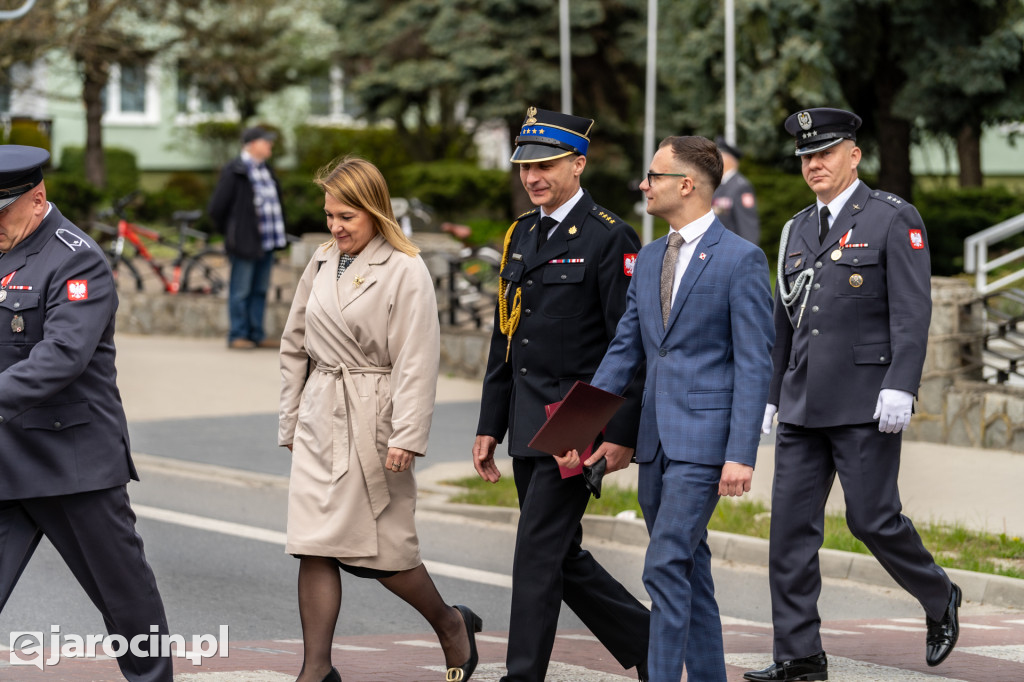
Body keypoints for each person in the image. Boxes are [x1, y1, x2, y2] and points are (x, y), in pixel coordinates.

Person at [743, 107, 960, 682]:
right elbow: (784, 319)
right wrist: (770, 394)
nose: (814, 164)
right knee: (789, 531)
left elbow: (913, 313)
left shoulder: (891, 218)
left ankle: (939, 596)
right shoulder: (795, 229)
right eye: (807, 157)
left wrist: (901, 386)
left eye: (826, 153)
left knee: (872, 520)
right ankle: (800, 654)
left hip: (866, 401)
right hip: (801, 402)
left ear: (854, 155)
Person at [564, 135, 774, 682]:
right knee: (688, 569)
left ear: (687, 184)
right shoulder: (653, 255)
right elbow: (625, 349)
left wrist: (741, 455)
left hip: (705, 445)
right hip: (656, 444)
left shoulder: (742, 259)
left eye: (654, 175)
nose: (644, 185)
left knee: (663, 565)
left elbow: (755, 364)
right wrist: (579, 424)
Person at [278, 156, 481, 682]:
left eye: (346, 216)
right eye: (329, 215)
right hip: (321, 413)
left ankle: (450, 623)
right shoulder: (321, 260)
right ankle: (316, 670)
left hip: (374, 416)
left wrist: (408, 434)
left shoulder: (405, 267)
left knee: (384, 552)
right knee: (313, 544)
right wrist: (291, 418)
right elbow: (294, 343)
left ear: (374, 210)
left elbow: (418, 357)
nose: (335, 227)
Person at [473, 107, 651, 682]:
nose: (533, 176)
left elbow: (629, 343)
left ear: (578, 163)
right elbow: (509, 338)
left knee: (536, 554)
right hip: (527, 422)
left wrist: (618, 433)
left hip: (574, 422)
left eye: (546, 164)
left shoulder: (608, 235)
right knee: (558, 555)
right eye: (525, 165)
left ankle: (521, 675)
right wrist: (489, 425)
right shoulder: (521, 234)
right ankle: (653, 644)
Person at [0, 145, 172, 681]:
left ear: (36, 198)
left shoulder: (76, 258)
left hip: (70, 462)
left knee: (125, 602)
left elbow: (61, 358)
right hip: (7, 457)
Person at [208, 125, 289, 349]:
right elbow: (217, 208)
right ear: (252, 144)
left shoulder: (266, 170)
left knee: (260, 290)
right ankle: (237, 335)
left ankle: (256, 334)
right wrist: (233, 233)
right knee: (241, 290)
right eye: (266, 141)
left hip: (267, 242)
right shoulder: (235, 170)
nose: (270, 145)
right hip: (244, 242)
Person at [712, 136, 760, 245]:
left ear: (728, 159)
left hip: (733, 252)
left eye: (718, 157)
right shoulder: (720, 185)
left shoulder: (741, 187)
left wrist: (748, 257)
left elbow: (748, 226)